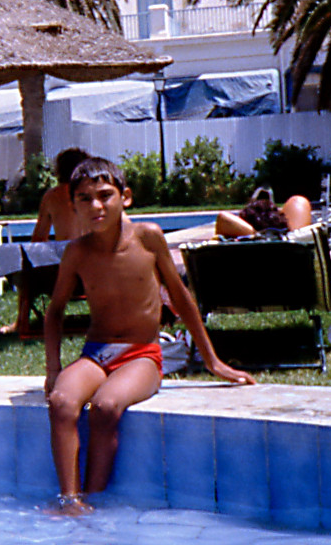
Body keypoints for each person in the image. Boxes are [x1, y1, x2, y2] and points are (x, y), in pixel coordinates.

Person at [44, 157, 255, 514]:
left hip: (141, 354)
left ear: (125, 197)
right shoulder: (77, 252)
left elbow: (181, 299)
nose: (96, 206)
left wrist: (213, 361)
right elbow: (55, 312)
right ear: (73, 205)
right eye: (85, 198)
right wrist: (53, 369)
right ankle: (70, 501)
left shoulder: (148, 238)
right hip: (96, 353)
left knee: (106, 406)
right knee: (62, 401)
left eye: (105, 195)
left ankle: (93, 499)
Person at [1, 147, 90, 338]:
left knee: (27, 266)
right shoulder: (95, 196)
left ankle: (20, 321)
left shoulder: (52, 196)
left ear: (59, 171)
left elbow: (38, 240)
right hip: (94, 275)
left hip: (57, 278)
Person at [214, 187, 313, 238]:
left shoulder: (237, 242)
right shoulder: (295, 242)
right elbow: (298, 200)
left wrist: (256, 236)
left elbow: (223, 218)